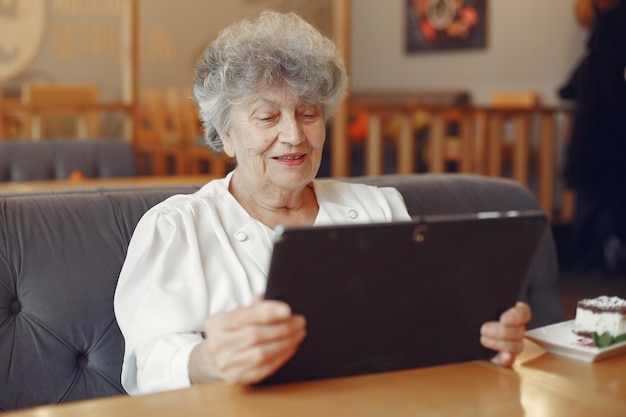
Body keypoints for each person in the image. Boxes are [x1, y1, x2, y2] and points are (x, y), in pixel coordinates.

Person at [114, 10, 532, 395]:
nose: (294, 135)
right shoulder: (177, 227)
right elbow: (144, 364)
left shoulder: (380, 209)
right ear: (225, 135)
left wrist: (486, 335)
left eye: (308, 113)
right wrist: (208, 359)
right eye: (267, 117)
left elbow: (427, 327)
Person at [560, 0, 626, 273]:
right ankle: (601, 252)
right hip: (601, 131)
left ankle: (600, 252)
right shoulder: (607, 33)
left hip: (603, 130)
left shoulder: (610, 33)